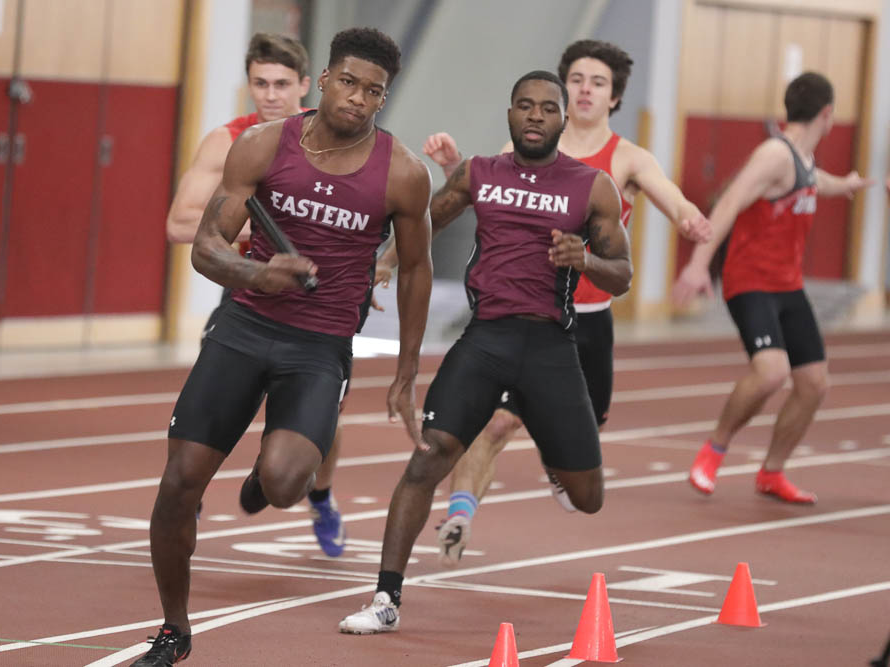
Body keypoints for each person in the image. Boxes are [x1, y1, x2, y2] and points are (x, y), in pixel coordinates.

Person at [133, 27, 432, 665]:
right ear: (323, 81)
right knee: (179, 483)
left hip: (319, 345)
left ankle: (268, 470)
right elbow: (207, 246)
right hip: (243, 328)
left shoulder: (403, 173)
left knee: (287, 481)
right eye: (348, 82)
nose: (357, 98)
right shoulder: (263, 146)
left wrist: (406, 369)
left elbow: (417, 270)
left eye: (372, 91)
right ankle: (174, 630)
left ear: (384, 99)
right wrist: (254, 274)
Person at [338, 70, 631, 634]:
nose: (536, 116)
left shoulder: (592, 186)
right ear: (510, 115)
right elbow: (423, 222)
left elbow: (622, 275)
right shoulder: (480, 173)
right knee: (426, 460)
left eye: (548, 107)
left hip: (550, 348)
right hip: (486, 340)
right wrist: (382, 264)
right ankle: (385, 598)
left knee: (587, 497)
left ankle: (555, 457)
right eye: (525, 106)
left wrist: (586, 260)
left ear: (563, 118)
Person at [421, 39, 712, 566]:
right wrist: (452, 170)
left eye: (597, 83)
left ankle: (559, 458)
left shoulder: (625, 158)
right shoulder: (529, 145)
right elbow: (485, 199)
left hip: (587, 325)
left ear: (614, 98)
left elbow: (668, 195)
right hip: (516, 317)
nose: (585, 90)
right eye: (576, 79)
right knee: (497, 422)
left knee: (581, 444)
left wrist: (690, 220)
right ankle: (458, 515)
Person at [164, 33, 348, 558]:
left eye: (281, 85)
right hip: (248, 294)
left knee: (324, 413)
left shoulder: (329, 134)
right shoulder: (229, 141)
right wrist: (259, 241)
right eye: (260, 84)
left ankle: (322, 496)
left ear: (306, 86)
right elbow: (179, 222)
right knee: (214, 403)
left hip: (319, 300)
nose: (270, 95)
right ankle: (189, 495)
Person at [674, 71, 872, 504]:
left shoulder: (801, 160)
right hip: (751, 284)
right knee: (772, 372)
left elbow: (821, 181)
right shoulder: (774, 155)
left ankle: (772, 472)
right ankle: (714, 450)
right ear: (827, 113)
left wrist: (854, 184)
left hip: (788, 287)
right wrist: (699, 265)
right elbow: (728, 202)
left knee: (814, 384)